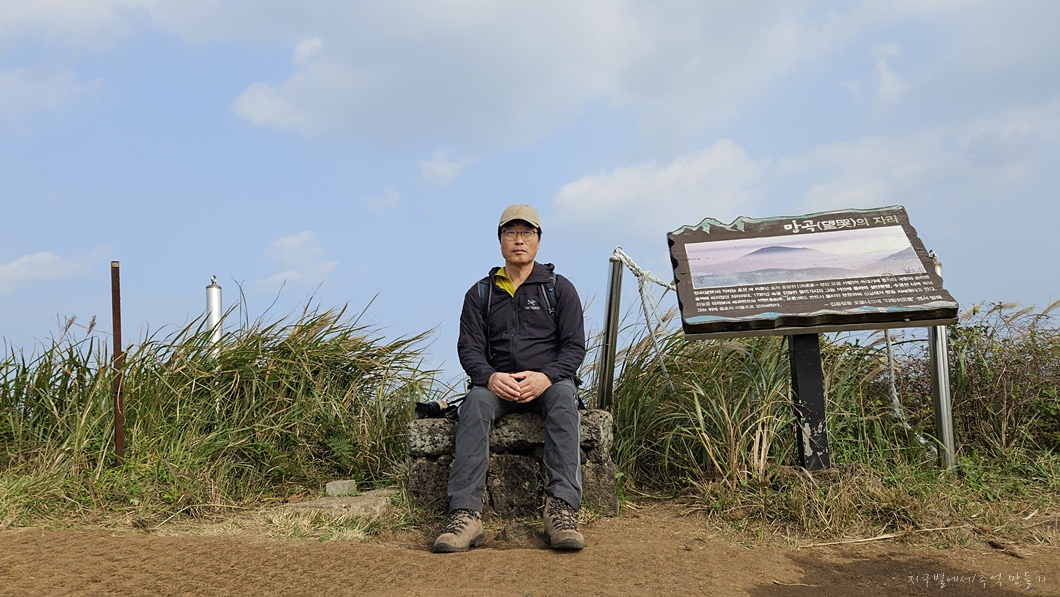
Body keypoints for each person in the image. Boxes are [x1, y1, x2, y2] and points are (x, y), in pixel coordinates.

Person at [433, 204, 586, 553]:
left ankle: (561, 511)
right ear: (500, 240)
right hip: (496, 386)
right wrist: (489, 378)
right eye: (511, 232)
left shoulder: (559, 289)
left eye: (527, 232)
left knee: (565, 399)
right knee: (475, 402)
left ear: (538, 240)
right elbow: (469, 349)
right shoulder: (481, 294)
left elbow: (574, 347)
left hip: (548, 385)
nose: (519, 240)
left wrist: (546, 377)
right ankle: (465, 515)